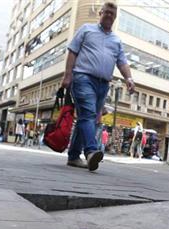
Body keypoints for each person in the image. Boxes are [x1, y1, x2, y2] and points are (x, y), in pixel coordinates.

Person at [62, 2, 135, 171]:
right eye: (107, 12)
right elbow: (72, 51)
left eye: (112, 14)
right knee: (87, 114)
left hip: (103, 85)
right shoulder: (86, 29)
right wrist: (67, 75)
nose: (109, 15)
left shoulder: (116, 40)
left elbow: (122, 62)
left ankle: (73, 156)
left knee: (88, 119)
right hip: (83, 78)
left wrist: (129, 78)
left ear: (115, 18)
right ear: (100, 13)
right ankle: (91, 151)